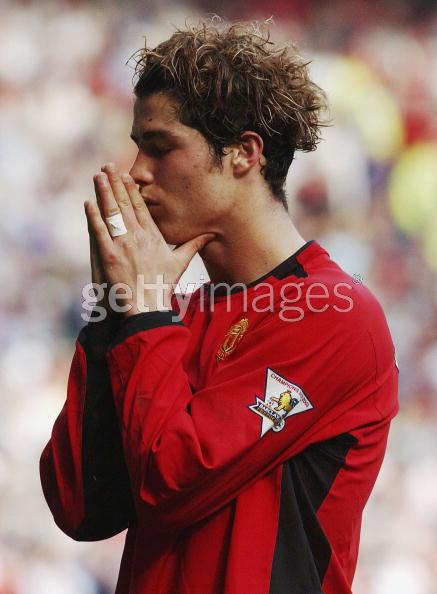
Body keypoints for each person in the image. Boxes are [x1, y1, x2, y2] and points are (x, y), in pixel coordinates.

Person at [40, 21, 399, 594]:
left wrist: (143, 317)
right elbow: (82, 506)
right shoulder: (168, 315)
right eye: (137, 148)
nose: (136, 171)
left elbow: (170, 479)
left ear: (243, 154)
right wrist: (111, 311)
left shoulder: (337, 317)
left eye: (160, 147)